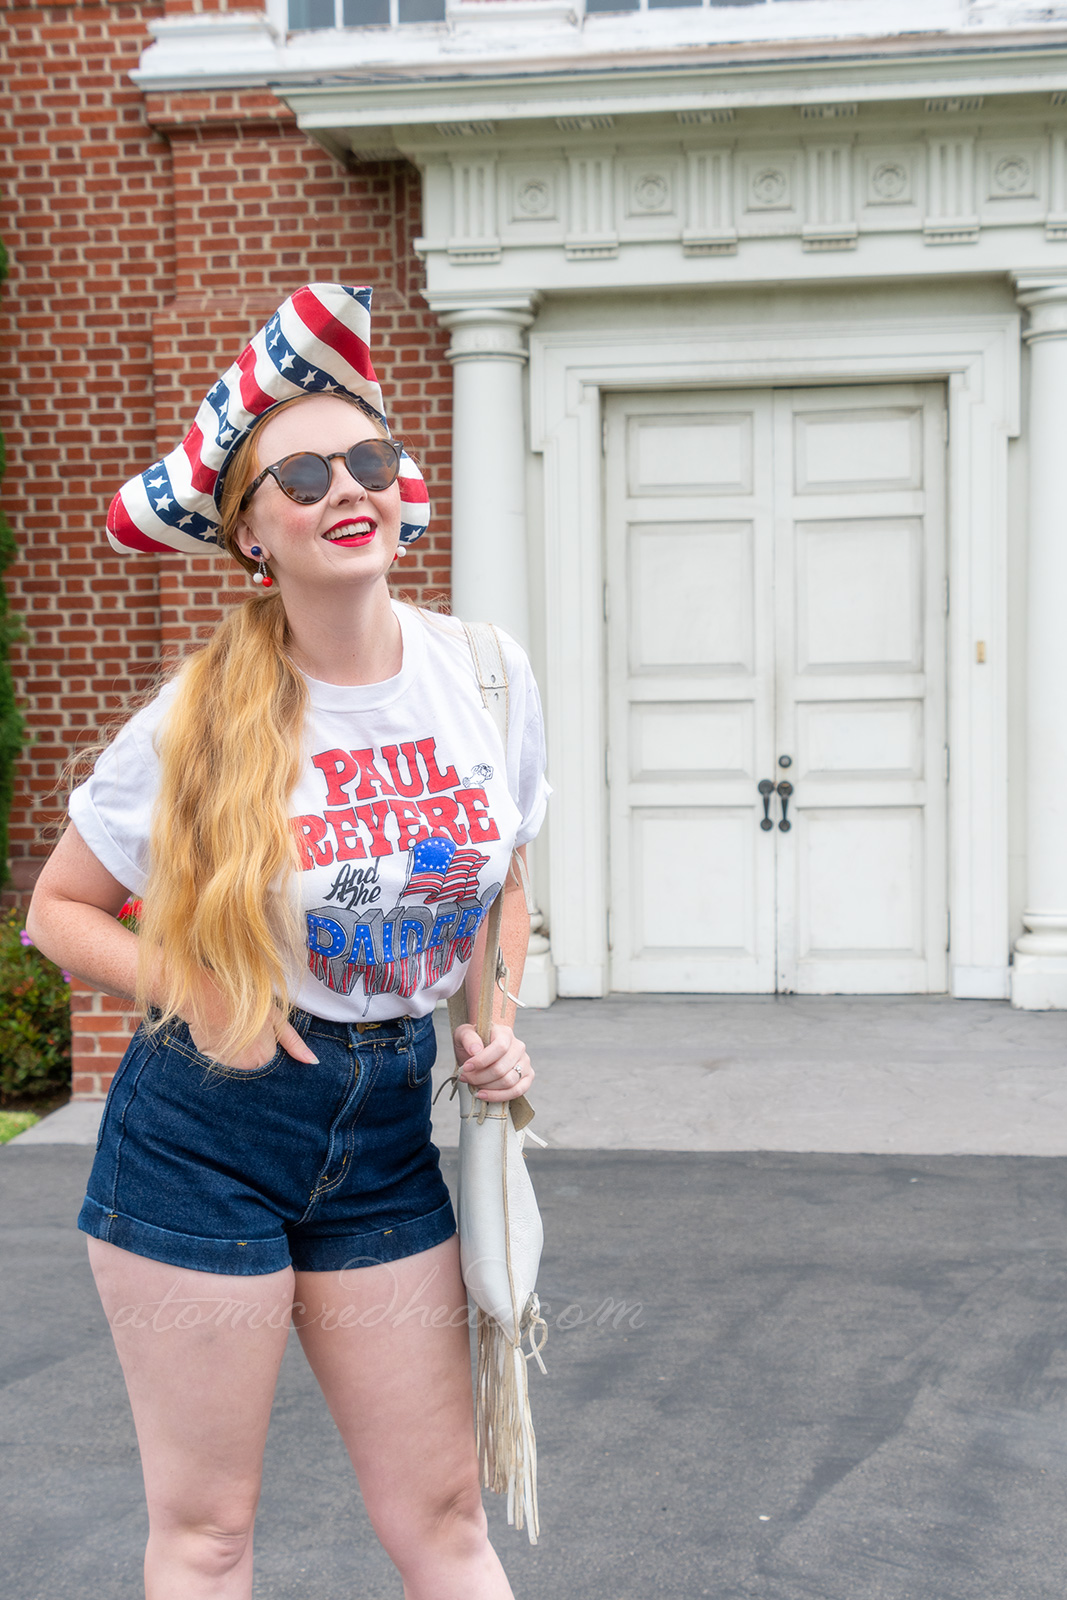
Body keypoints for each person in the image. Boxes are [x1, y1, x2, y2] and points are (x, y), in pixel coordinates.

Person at [26, 283, 549, 1600]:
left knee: (444, 1517)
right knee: (208, 1538)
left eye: (366, 460)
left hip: (382, 1130)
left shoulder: (485, 674)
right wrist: (200, 990)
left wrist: (494, 1026)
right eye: (301, 475)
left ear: (402, 486)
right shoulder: (199, 715)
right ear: (253, 534)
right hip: (210, 1123)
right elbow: (59, 910)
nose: (343, 488)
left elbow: (501, 887)